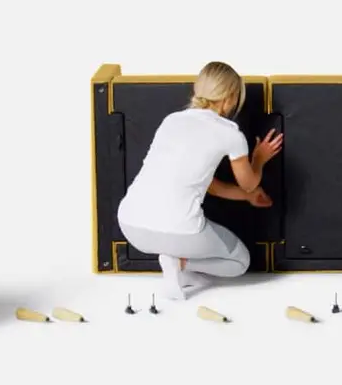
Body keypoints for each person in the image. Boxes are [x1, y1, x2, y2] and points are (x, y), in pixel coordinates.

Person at [117, 61, 283, 299]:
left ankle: (175, 264)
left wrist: (247, 198)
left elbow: (210, 186)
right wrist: (259, 159)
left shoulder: (171, 120)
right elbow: (249, 183)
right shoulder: (230, 133)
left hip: (131, 226)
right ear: (231, 97)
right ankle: (179, 263)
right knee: (239, 261)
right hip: (182, 231)